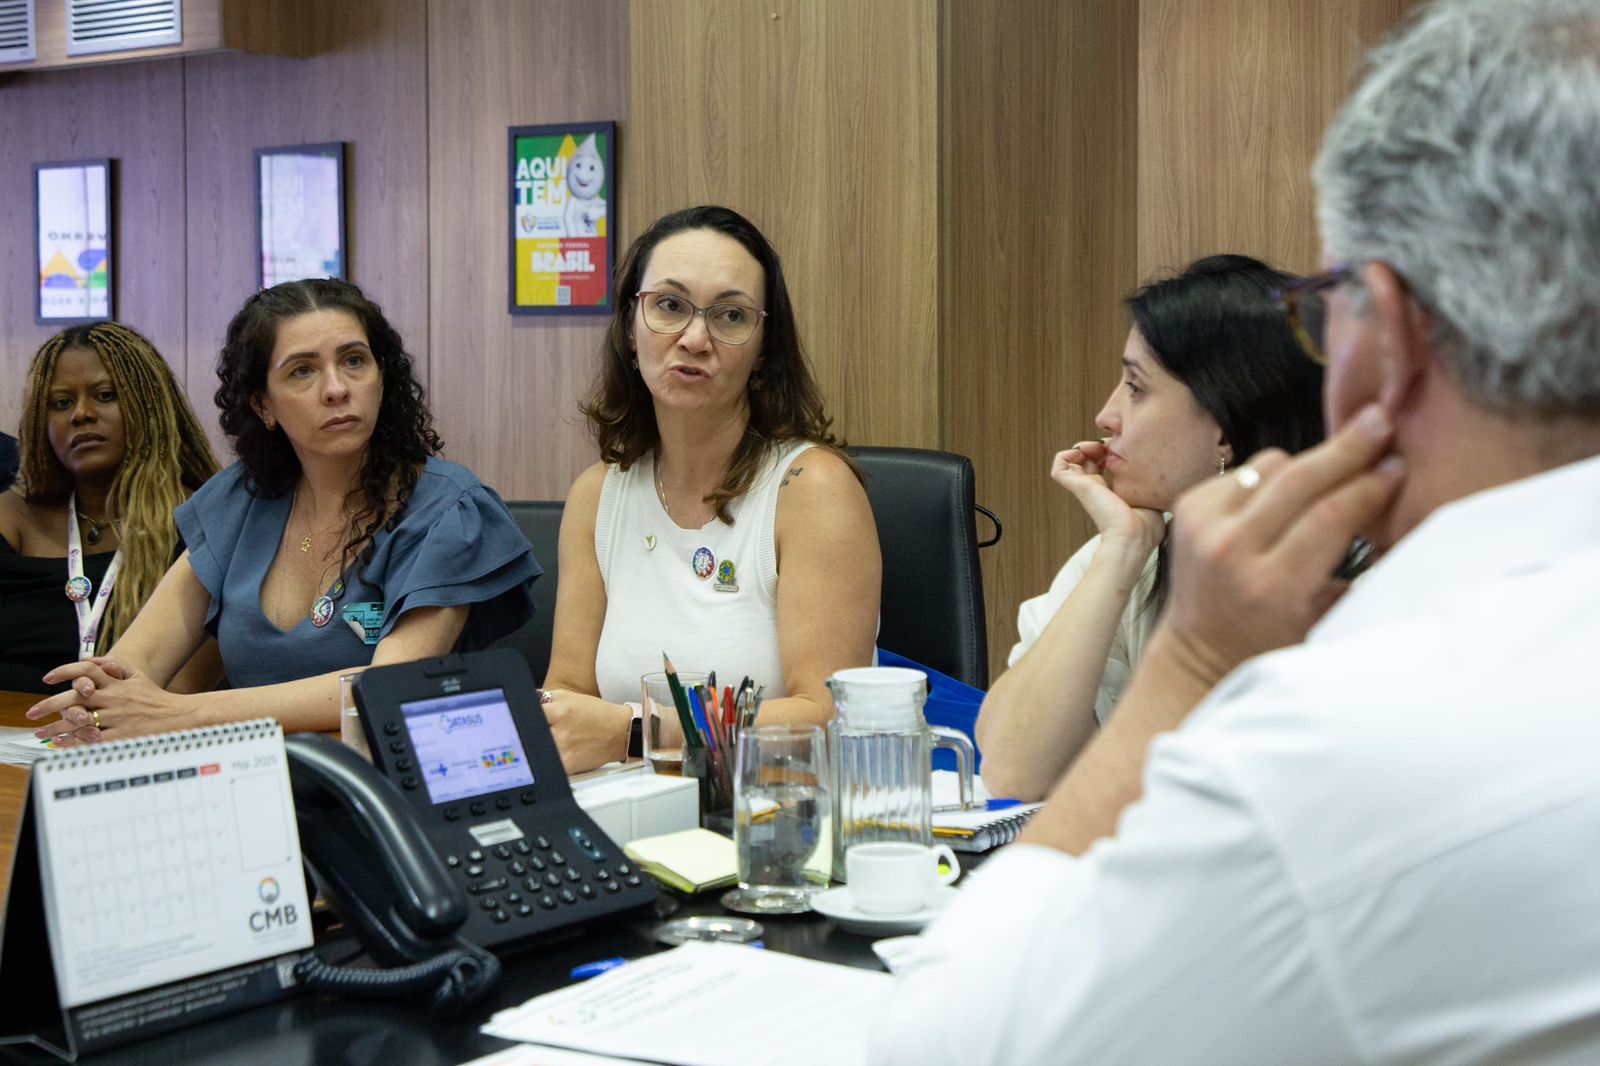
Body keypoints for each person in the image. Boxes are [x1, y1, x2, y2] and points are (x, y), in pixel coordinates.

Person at [872, 0, 1600, 1062]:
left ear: (1384, 332)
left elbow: (949, 1040)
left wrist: (1192, 663)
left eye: (1330, 299)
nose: (1104, 417)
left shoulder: (1336, 734)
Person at [27, 279, 540, 743]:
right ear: (263, 405)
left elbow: (390, 687)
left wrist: (183, 714)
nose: (337, 388)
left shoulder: (447, 509)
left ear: (383, 378)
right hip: (242, 784)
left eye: (354, 361)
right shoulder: (238, 502)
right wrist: (95, 698)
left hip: (381, 797)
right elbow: (133, 665)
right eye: (303, 371)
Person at [540, 205, 880, 774]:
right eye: (669, 306)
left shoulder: (812, 489)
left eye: (730, 315)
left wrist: (636, 731)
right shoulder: (598, 495)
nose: (695, 338)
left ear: (764, 347)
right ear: (630, 325)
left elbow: (827, 715)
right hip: (625, 819)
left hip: (772, 825)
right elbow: (568, 695)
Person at [975, 255, 1325, 801]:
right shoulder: (1130, 555)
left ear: (1226, 431)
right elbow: (1013, 771)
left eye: (1136, 388)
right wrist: (1122, 549)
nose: (1105, 416)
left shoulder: (1333, 590)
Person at [1, 324, 220, 694]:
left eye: (105, 395)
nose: (81, 415)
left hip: (131, 742)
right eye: (61, 403)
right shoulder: (12, 517)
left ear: (148, 406)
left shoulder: (206, 519)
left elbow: (179, 695)